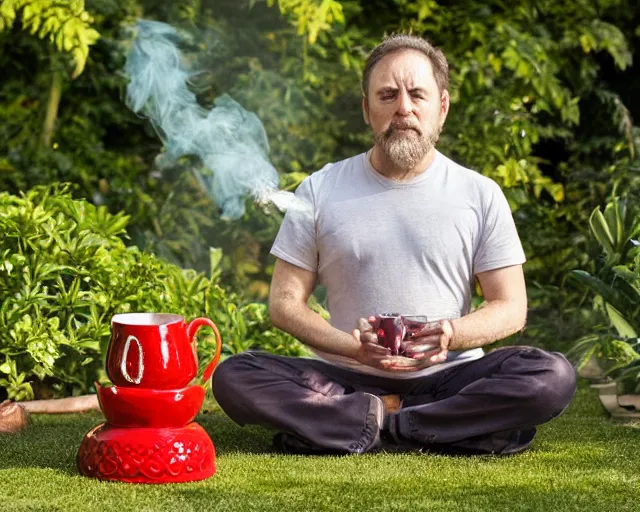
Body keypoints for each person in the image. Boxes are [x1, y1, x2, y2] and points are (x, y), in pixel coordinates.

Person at [211, 34, 577, 456]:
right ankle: (442, 425)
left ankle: (372, 423)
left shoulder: (480, 193)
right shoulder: (320, 189)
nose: (404, 107)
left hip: (450, 374)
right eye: (387, 95)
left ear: (442, 106)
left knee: (550, 375)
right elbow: (285, 304)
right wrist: (357, 350)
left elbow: (511, 308)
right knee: (236, 374)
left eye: (417, 94)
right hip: (346, 377)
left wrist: (449, 335)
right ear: (368, 110)